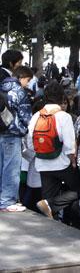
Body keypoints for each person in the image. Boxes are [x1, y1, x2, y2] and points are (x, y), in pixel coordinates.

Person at [31, 82, 78, 220]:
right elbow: (70, 144)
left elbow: (29, 142)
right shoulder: (64, 116)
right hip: (62, 163)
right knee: (79, 190)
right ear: (61, 97)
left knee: (47, 197)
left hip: (42, 163)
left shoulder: (36, 116)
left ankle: (50, 211)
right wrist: (73, 161)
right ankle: (52, 205)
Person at [0, 65, 33, 212]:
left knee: (1, 166)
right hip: (12, 133)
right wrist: (23, 128)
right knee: (11, 168)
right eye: (28, 80)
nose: (27, 83)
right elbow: (26, 117)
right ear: (22, 78)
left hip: (0, 131)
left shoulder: (1, 87)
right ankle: (7, 201)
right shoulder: (19, 91)